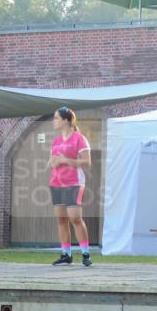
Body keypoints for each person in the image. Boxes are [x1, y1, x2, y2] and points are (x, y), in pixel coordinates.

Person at [48, 106, 93, 267]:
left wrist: (66, 160)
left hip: (74, 183)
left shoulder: (79, 138)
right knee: (61, 219)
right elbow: (50, 162)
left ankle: (85, 254)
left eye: (56, 118)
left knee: (75, 218)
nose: (54, 121)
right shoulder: (56, 141)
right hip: (56, 183)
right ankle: (66, 255)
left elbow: (87, 162)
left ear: (66, 120)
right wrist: (53, 163)